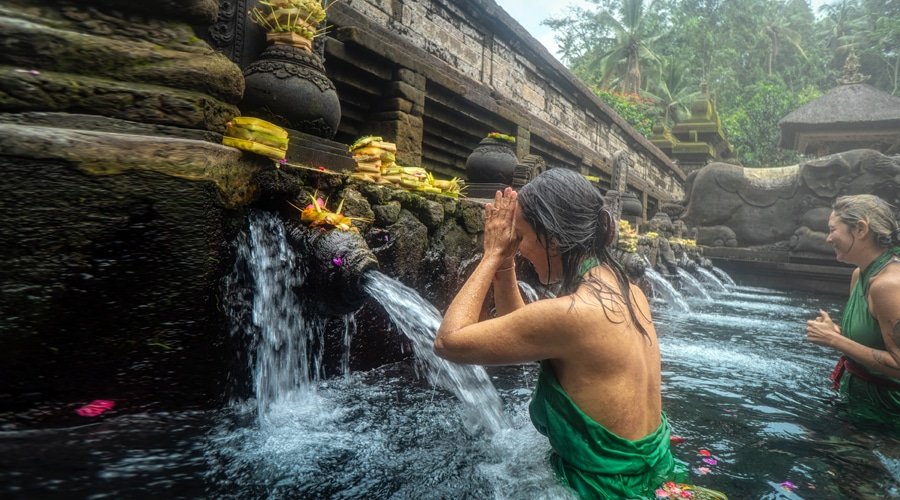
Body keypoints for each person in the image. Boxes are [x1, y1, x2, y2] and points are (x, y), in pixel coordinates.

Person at [434, 169, 674, 498]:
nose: (517, 248)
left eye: (520, 237)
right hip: (655, 473)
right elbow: (525, 329)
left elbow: (449, 341)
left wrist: (490, 255)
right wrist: (505, 265)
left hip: (603, 490)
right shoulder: (632, 293)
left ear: (553, 239)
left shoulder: (575, 314)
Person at [806, 194, 900, 418]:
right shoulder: (860, 275)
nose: (828, 238)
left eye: (832, 229)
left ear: (860, 229)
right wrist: (836, 332)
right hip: (859, 400)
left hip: (888, 412)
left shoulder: (888, 285)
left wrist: (834, 340)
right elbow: (871, 336)